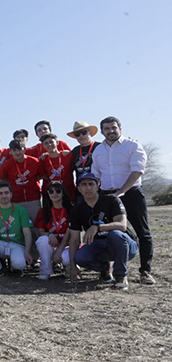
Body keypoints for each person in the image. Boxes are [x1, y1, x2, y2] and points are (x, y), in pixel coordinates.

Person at [92, 116, 154, 285]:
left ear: (120, 128)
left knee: (143, 232)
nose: (110, 131)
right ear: (102, 131)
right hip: (107, 195)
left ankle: (145, 271)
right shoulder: (98, 151)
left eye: (113, 127)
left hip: (131, 193)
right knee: (107, 232)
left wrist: (122, 191)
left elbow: (137, 171)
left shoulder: (132, 145)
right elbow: (96, 175)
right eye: (106, 128)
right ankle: (107, 270)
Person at [69, 173, 138, 290]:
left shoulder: (112, 200)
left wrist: (97, 227)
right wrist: (73, 266)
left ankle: (121, 276)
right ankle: (104, 268)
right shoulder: (77, 210)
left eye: (91, 184)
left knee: (115, 234)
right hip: (99, 246)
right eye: (84, 185)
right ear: (79, 188)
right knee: (80, 257)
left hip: (124, 244)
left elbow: (122, 226)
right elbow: (74, 240)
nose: (88, 188)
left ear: (98, 186)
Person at [0, 181, 34, 279]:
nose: (4, 196)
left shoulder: (20, 210)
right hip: (0, 244)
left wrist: (27, 251)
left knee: (19, 264)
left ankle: (15, 268)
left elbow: (27, 232)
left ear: (11, 194)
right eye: (0, 193)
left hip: (16, 244)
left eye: (6, 193)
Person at [34, 182, 74, 280]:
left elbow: (71, 234)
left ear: (63, 193)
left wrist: (60, 249)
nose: (54, 194)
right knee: (42, 240)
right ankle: (45, 270)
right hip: (52, 246)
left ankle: (69, 267)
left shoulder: (71, 210)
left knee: (66, 258)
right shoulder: (43, 211)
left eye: (58, 191)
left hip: (67, 246)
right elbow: (40, 232)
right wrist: (49, 234)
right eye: (51, 191)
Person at [0, 139, 44, 224]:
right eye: (14, 150)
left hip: (33, 199)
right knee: (19, 225)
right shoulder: (7, 165)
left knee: (36, 224)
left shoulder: (35, 162)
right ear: (11, 152)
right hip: (16, 200)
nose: (17, 152)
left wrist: (32, 180)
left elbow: (42, 175)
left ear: (25, 149)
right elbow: (1, 179)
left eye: (20, 149)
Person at [67, 121, 100, 196]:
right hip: (81, 190)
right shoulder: (75, 151)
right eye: (77, 134)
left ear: (90, 133)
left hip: (99, 188)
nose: (81, 136)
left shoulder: (100, 147)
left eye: (84, 132)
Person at [39, 134, 75, 200]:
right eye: (46, 143)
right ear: (43, 146)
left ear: (57, 142)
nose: (49, 145)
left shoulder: (67, 155)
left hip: (68, 192)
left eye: (51, 142)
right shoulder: (43, 160)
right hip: (51, 194)